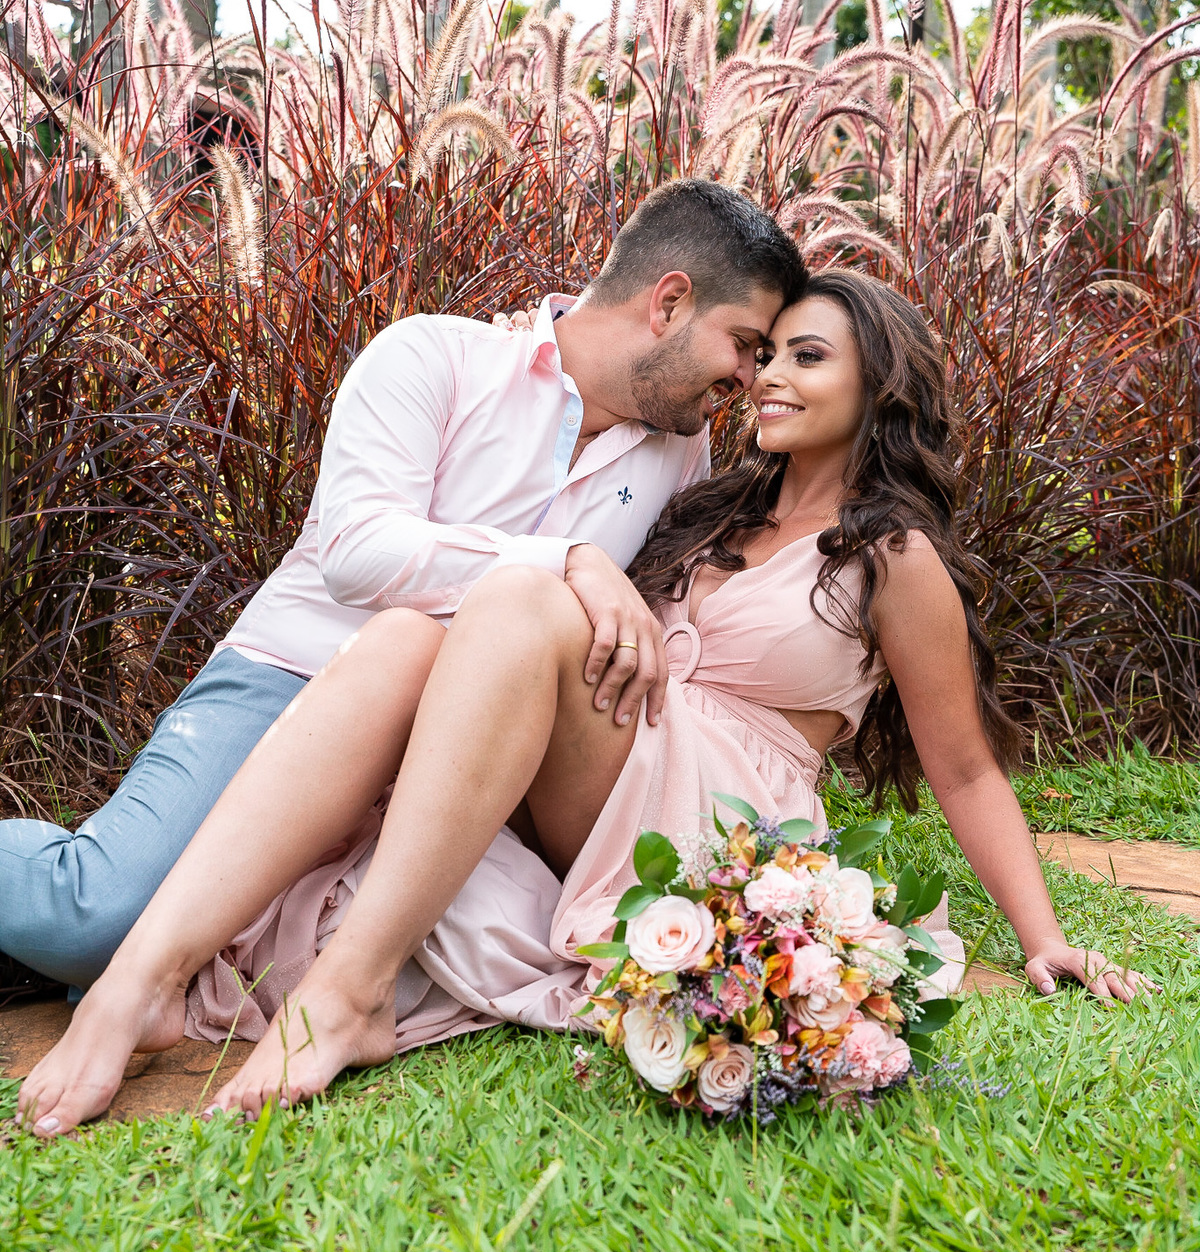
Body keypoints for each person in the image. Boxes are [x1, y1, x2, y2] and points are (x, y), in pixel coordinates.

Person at [17, 269, 1159, 1137]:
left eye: (804, 356)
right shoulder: (701, 495)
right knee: (413, 628)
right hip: (612, 763)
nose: (764, 376)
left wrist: (1044, 935)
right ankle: (142, 977)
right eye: (759, 353)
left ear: (877, 384)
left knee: (511, 593)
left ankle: (347, 988)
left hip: (720, 807)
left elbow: (961, 765)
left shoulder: (891, 556)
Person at [0, 181, 800, 992]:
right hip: (296, 680)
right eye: (742, 341)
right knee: (95, 918)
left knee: (247, 956)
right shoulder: (433, 355)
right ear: (668, 302)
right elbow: (357, 551)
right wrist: (563, 559)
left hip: (460, 753)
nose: (749, 374)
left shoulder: (677, 452)